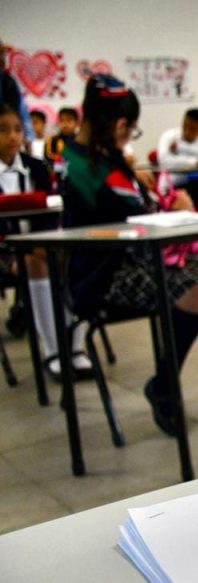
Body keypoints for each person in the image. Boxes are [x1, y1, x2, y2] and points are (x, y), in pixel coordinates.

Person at [61, 75, 198, 434]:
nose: (130, 138)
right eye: (131, 130)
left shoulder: (105, 158)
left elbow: (137, 210)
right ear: (120, 125)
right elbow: (133, 218)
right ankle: (164, 385)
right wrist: (171, 208)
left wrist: (157, 197)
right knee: (197, 292)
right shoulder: (79, 165)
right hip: (104, 274)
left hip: (139, 258)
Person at [0, 102, 92, 379]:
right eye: (3, 130)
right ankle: (53, 351)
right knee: (36, 265)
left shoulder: (37, 167)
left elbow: (52, 209)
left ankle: (75, 347)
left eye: (17, 129)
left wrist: (44, 240)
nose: (13, 136)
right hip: (6, 249)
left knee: (75, 258)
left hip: (40, 240)